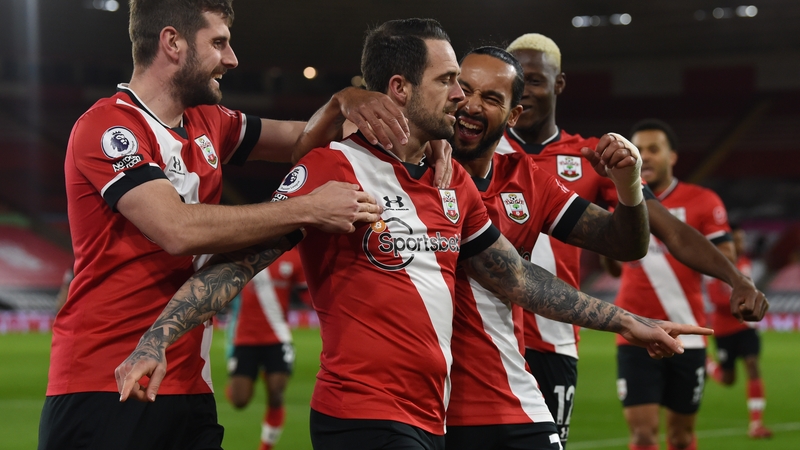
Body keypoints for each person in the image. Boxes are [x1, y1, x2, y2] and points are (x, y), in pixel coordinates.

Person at [116, 19, 713, 450]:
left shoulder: (453, 183)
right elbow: (236, 264)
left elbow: (516, 276)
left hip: (432, 419)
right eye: (449, 80)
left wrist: (623, 321)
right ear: (400, 90)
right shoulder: (334, 168)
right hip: (362, 416)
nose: (460, 94)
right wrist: (156, 339)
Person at [36, 0, 444, 448]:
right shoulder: (110, 126)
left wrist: (379, 118)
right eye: (219, 43)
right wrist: (306, 208)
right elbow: (177, 230)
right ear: (172, 42)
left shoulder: (209, 122)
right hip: (104, 383)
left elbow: (301, 142)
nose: (232, 59)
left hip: (189, 382)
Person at [498, 33, 769, 448]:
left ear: (560, 84)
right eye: (516, 81)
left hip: (550, 340)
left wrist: (738, 280)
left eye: (534, 80)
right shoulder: (477, 147)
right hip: (477, 333)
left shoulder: (592, 157)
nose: (524, 92)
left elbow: (671, 229)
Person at [445, 46, 652, 450]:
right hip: (417, 399)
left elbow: (624, 242)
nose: (470, 105)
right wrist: (349, 100)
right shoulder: (405, 167)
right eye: (463, 89)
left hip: (505, 391)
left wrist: (629, 184)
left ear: (513, 115)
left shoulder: (527, 178)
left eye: (490, 98)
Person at [601, 119, 737, 450]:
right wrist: (606, 241)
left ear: (672, 156)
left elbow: (725, 258)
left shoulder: (702, 200)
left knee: (680, 437)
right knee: (643, 435)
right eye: (639, 149)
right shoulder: (620, 201)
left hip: (686, 334)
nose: (645, 157)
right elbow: (615, 270)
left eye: (654, 149)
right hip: (634, 331)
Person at [225, 248, 309, 450]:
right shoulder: (246, 251)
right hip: (245, 337)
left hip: (278, 337)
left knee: (276, 393)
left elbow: (308, 295)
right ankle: (242, 380)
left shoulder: (294, 256)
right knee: (239, 401)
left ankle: (265, 447)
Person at [705, 226, 772, 439]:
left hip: (746, 327)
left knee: (753, 365)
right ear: (728, 245)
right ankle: (709, 366)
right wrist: (743, 304)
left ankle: (756, 424)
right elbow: (716, 300)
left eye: (743, 240)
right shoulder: (715, 268)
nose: (742, 245)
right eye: (737, 241)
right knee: (728, 378)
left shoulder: (745, 263)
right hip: (725, 330)